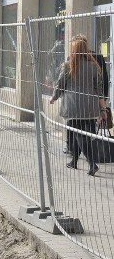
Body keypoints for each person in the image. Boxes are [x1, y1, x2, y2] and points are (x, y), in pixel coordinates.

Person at [50, 34, 107, 176]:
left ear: (73, 50)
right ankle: (74, 161)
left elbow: (60, 85)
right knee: (82, 134)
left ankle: (92, 163)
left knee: (79, 135)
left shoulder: (69, 65)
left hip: (73, 106)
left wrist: (54, 98)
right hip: (89, 106)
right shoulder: (94, 66)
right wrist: (103, 108)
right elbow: (98, 89)